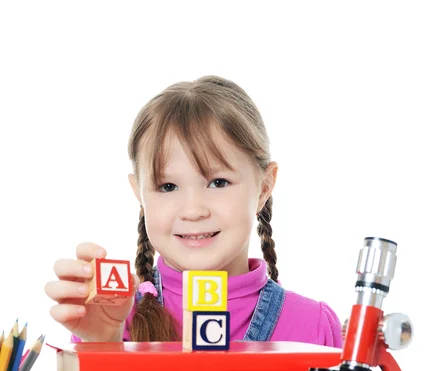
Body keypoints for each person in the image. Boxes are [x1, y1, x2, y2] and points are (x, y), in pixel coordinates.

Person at [44, 75, 342, 347]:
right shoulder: (111, 318)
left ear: (264, 187)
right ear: (139, 194)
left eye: (218, 182)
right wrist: (104, 343)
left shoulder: (315, 328)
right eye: (168, 187)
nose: (193, 210)